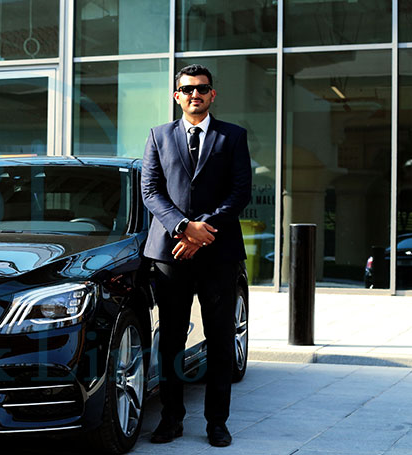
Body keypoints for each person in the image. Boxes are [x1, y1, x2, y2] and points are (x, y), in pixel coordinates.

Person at [141, 64, 251, 447]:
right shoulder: (158, 136)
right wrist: (183, 227)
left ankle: (217, 423)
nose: (195, 94)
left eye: (202, 88)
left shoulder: (233, 136)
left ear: (212, 94)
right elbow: (150, 191)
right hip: (171, 253)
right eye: (187, 89)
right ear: (177, 96)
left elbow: (240, 192)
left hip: (219, 254)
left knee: (220, 339)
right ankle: (170, 419)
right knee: (171, 339)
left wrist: (202, 231)